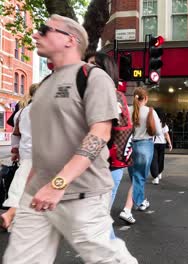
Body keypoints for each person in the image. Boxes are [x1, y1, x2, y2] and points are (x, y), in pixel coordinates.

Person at [3, 14, 137, 264]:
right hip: (37, 196)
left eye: (44, 30)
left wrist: (57, 185)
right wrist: (20, 200)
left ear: (69, 40)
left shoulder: (92, 77)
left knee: (106, 259)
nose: (35, 34)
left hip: (82, 195)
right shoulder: (43, 87)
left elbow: (100, 133)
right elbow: (44, 149)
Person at [85, 51, 132, 239]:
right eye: (87, 64)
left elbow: (103, 131)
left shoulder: (112, 95)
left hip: (106, 166)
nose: (88, 69)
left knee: (98, 218)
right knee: (96, 219)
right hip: (96, 165)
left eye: (93, 65)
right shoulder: (98, 94)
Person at [119, 88, 162, 224]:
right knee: (139, 178)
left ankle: (141, 201)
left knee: (135, 178)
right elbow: (158, 131)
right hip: (145, 146)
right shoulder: (150, 111)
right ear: (146, 98)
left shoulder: (127, 110)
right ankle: (127, 209)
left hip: (130, 146)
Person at [0, 84, 39, 230]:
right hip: (43, 156)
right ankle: (18, 218)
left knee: (21, 185)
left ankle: (13, 217)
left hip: (26, 155)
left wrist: (15, 152)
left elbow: (15, 135)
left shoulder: (21, 112)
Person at [151, 108, 173, 185]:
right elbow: (166, 135)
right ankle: (159, 172)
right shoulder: (164, 124)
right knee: (161, 159)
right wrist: (170, 144)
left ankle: (155, 177)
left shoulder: (152, 122)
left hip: (153, 143)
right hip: (162, 143)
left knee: (154, 160)